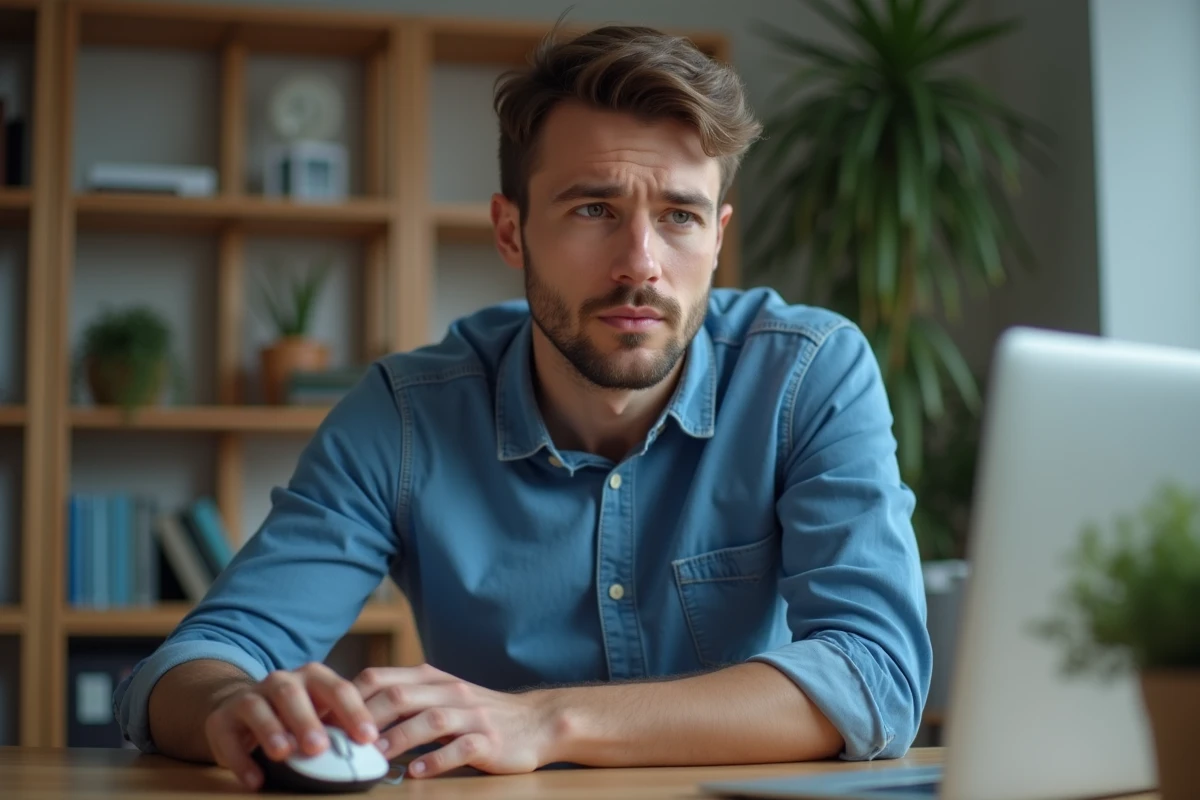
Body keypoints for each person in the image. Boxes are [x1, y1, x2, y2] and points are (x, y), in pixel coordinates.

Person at [113, 23, 931, 791]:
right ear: (511, 232)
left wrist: (546, 721)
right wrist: (231, 706)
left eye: (678, 217)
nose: (639, 264)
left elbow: (875, 676)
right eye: (593, 210)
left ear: (717, 237)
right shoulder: (404, 417)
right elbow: (195, 662)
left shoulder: (809, 373)